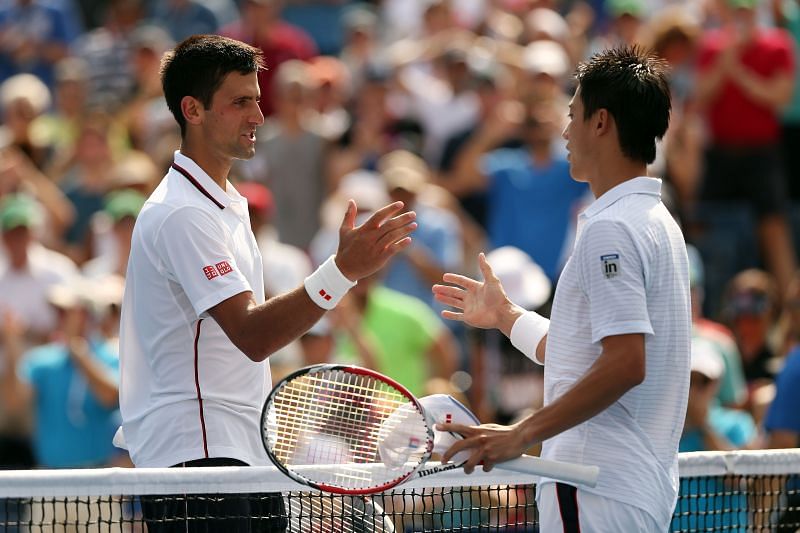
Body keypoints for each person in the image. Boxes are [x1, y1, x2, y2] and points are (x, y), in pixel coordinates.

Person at [116, 34, 416, 532]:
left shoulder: (222, 205)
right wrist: (340, 271)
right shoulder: (182, 213)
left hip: (239, 451)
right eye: (240, 102)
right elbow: (252, 335)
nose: (257, 115)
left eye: (257, 100)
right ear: (192, 110)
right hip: (197, 455)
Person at [433, 46, 691, 532]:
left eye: (572, 115)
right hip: (624, 488)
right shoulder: (657, 221)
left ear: (601, 123)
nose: (564, 131)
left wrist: (521, 433)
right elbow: (587, 356)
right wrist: (508, 316)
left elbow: (624, 363)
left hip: (593, 485)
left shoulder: (610, 228)